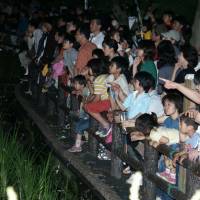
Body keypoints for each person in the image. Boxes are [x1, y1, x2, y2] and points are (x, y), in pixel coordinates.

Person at [84, 58, 111, 137]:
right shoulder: (105, 76)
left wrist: (88, 106)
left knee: (88, 107)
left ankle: (106, 125)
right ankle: (104, 126)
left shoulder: (99, 79)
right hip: (110, 101)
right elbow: (95, 94)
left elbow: (97, 97)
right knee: (89, 105)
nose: (88, 70)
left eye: (89, 68)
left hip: (107, 102)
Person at [68, 75, 90, 152]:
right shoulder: (84, 90)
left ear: (82, 85)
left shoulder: (86, 91)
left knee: (79, 126)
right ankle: (79, 143)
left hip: (88, 116)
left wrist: (79, 93)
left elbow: (86, 98)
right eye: (74, 83)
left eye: (76, 83)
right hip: (85, 115)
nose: (74, 85)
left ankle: (77, 146)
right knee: (78, 124)